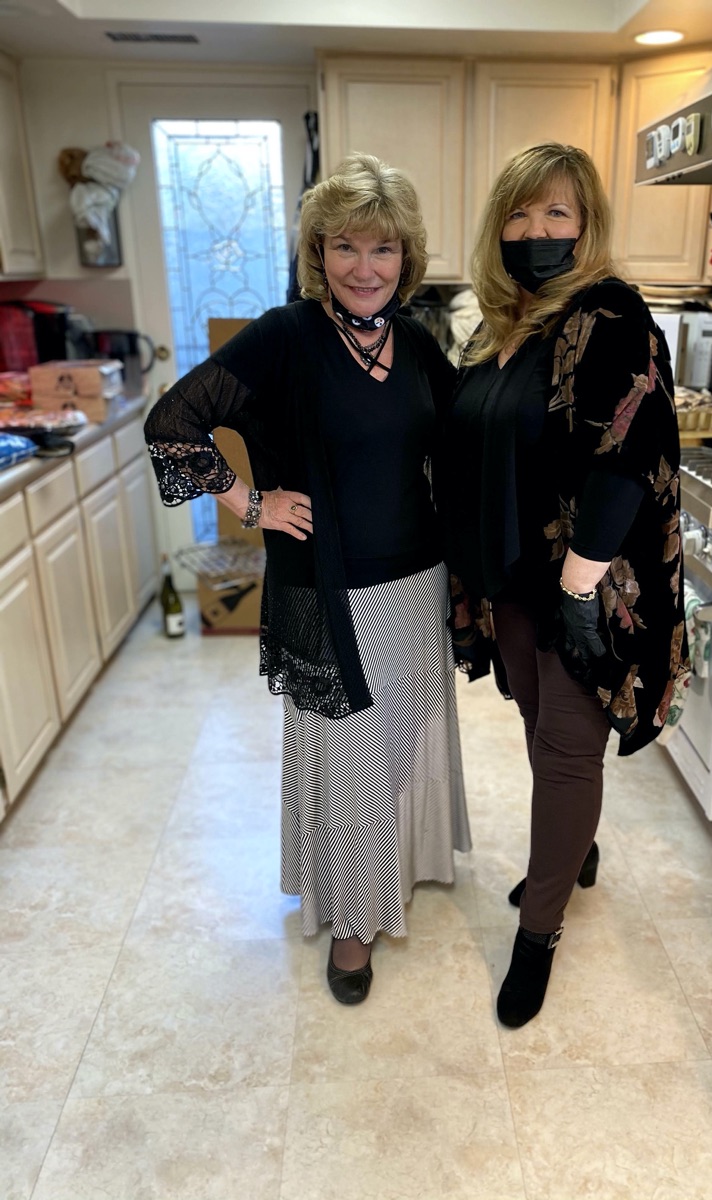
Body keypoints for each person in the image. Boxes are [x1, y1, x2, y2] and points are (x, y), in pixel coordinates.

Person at [144, 153, 470, 1006]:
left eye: (384, 248)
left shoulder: (416, 342)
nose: (365, 267)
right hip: (331, 590)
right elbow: (173, 419)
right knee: (351, 755)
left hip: (416, 582)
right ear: (317, 252)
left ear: (407, 257)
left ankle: (400, 865)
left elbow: (464, 437)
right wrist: (251, 503)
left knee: (401, 743)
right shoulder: (285, 336)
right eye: (346, 246)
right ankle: (353, 925)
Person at [444, 143, 689, 1028]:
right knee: (536, 717)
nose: (535, 229)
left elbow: (628, 455)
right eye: (519, 213)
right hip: (512, 578)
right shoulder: (497, 325)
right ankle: (575, 849)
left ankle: (538, 932)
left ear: (586, 225)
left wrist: (581, 591)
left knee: (563, 751)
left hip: (585, 583)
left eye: (556, 212)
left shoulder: (610, 314)